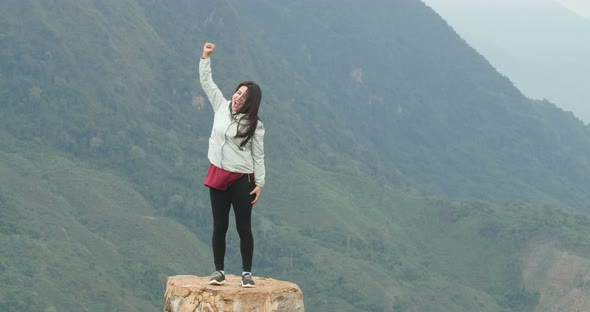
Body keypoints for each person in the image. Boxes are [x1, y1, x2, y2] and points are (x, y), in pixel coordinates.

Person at [199, 42, 265, 288]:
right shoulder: (220, 106)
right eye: (238, 92)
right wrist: (206, 57)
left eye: (244, 97)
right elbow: (208, 83)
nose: (238, 97)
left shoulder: (255, 125)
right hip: (217, 174)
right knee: (220, 225)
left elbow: (258, 156)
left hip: (241, 179)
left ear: (251, 103)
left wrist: (260, 183)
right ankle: (219, 271)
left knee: (243, 226)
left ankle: (247, 273)